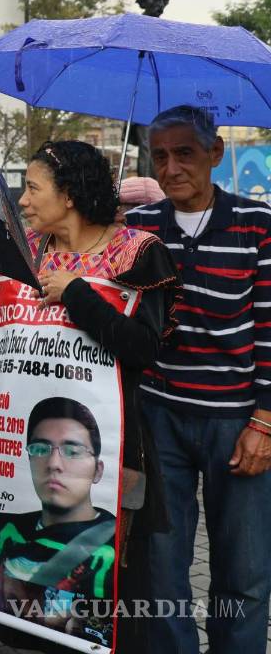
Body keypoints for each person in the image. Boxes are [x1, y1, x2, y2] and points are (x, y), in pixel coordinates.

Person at [0, 139, 178, 651]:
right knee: (33, 596)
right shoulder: (26, 252)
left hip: (114, 451)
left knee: (106, 593)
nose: (24, 201)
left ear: (71, 194)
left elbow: (145, 348)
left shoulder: (139, 254)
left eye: (33, 188)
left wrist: (77, 293)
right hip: (34, 448)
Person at [125, 105, 271, 654]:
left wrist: (265, 421)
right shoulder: (139, 230)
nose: (171, 167)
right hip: (158, 417)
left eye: (185, 152)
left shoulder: (257, 225)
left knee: (246, 569)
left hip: (238, 421)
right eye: (160, 156)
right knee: (160, 562)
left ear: (215, 154)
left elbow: (269, 328)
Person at [0, 399, 116, 646]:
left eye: (73, 451)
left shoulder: (111, 546)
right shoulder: (1, 529)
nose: (53, 464)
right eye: (41, 449)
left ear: (98, 470)